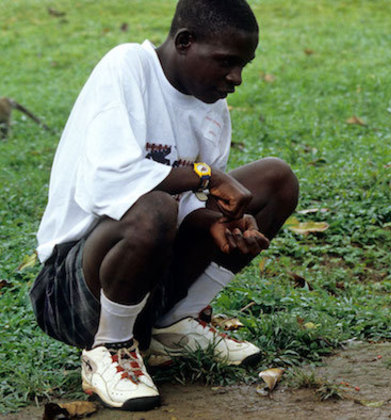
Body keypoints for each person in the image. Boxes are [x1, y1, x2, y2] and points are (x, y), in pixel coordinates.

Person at [29, 0, 298, 411]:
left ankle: (174, 323)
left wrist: (214, 222)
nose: (236, 77)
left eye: (244, 64)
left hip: (148, 273)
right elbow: (107, 184)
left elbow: (189, 202)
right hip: (72, 287)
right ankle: (110, 348)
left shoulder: (212, 107)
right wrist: (206, 176)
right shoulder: (128, 67)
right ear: (185, 42)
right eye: (227, 61)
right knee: (154, 207)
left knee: (275, 180)